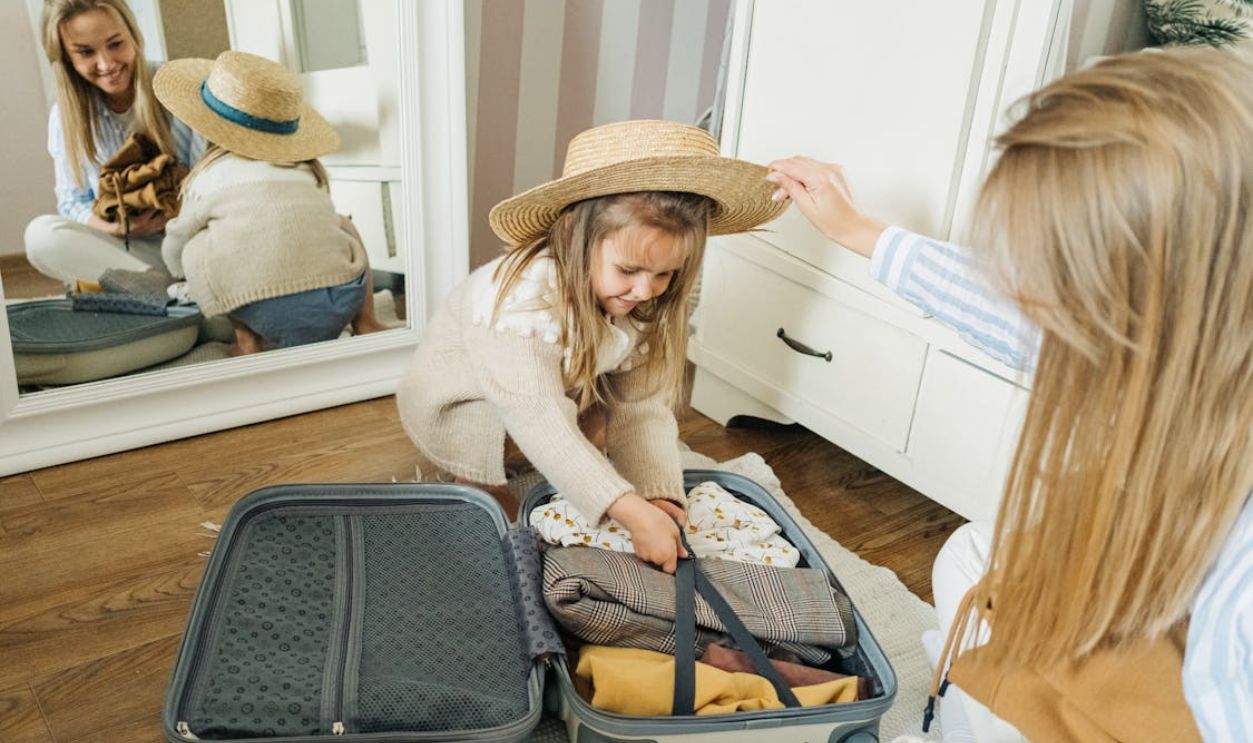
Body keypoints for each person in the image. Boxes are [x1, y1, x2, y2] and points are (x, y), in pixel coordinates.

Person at [767, 48, 1251, 741]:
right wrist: (858, 231)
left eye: (1053, 276)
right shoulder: (1181, 341)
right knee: (970, 555)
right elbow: (1007, 310)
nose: (1027, 298)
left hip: (1174, 675)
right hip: (1163, 598)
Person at [395, 119, 787, 574]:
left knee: (609, 418)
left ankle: (570, 471)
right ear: (572, 235)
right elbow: (535, 411)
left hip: (555, 384)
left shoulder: (634, 299)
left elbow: (642, 406)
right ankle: (478, 479)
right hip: (463, 399)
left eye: (665, 275)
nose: (645, 290)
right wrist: (625, 508)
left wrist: (655, 492)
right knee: (504, 460)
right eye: (629, 270)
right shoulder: (520, 296)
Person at [153, 50, 386, 355]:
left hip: (263, 310)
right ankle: (366, 322)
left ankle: (248, 343)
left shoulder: (205, 178)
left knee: (199, 244)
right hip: (339, 301)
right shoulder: (304, 169)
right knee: (343, 224)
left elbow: (178, 238)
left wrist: (175, 268)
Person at [26, 0, 203, 286]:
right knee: (41, 235)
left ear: (133, 35)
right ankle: (166, 294)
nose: (107, 64)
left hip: (191, 244)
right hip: (129, 249)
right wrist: (122, 227)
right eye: (85, 52)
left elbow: (207, 188)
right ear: (67, 58)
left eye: (115, 44)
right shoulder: (65, 117)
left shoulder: (178, 89)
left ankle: (162, 297)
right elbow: (72, 203)